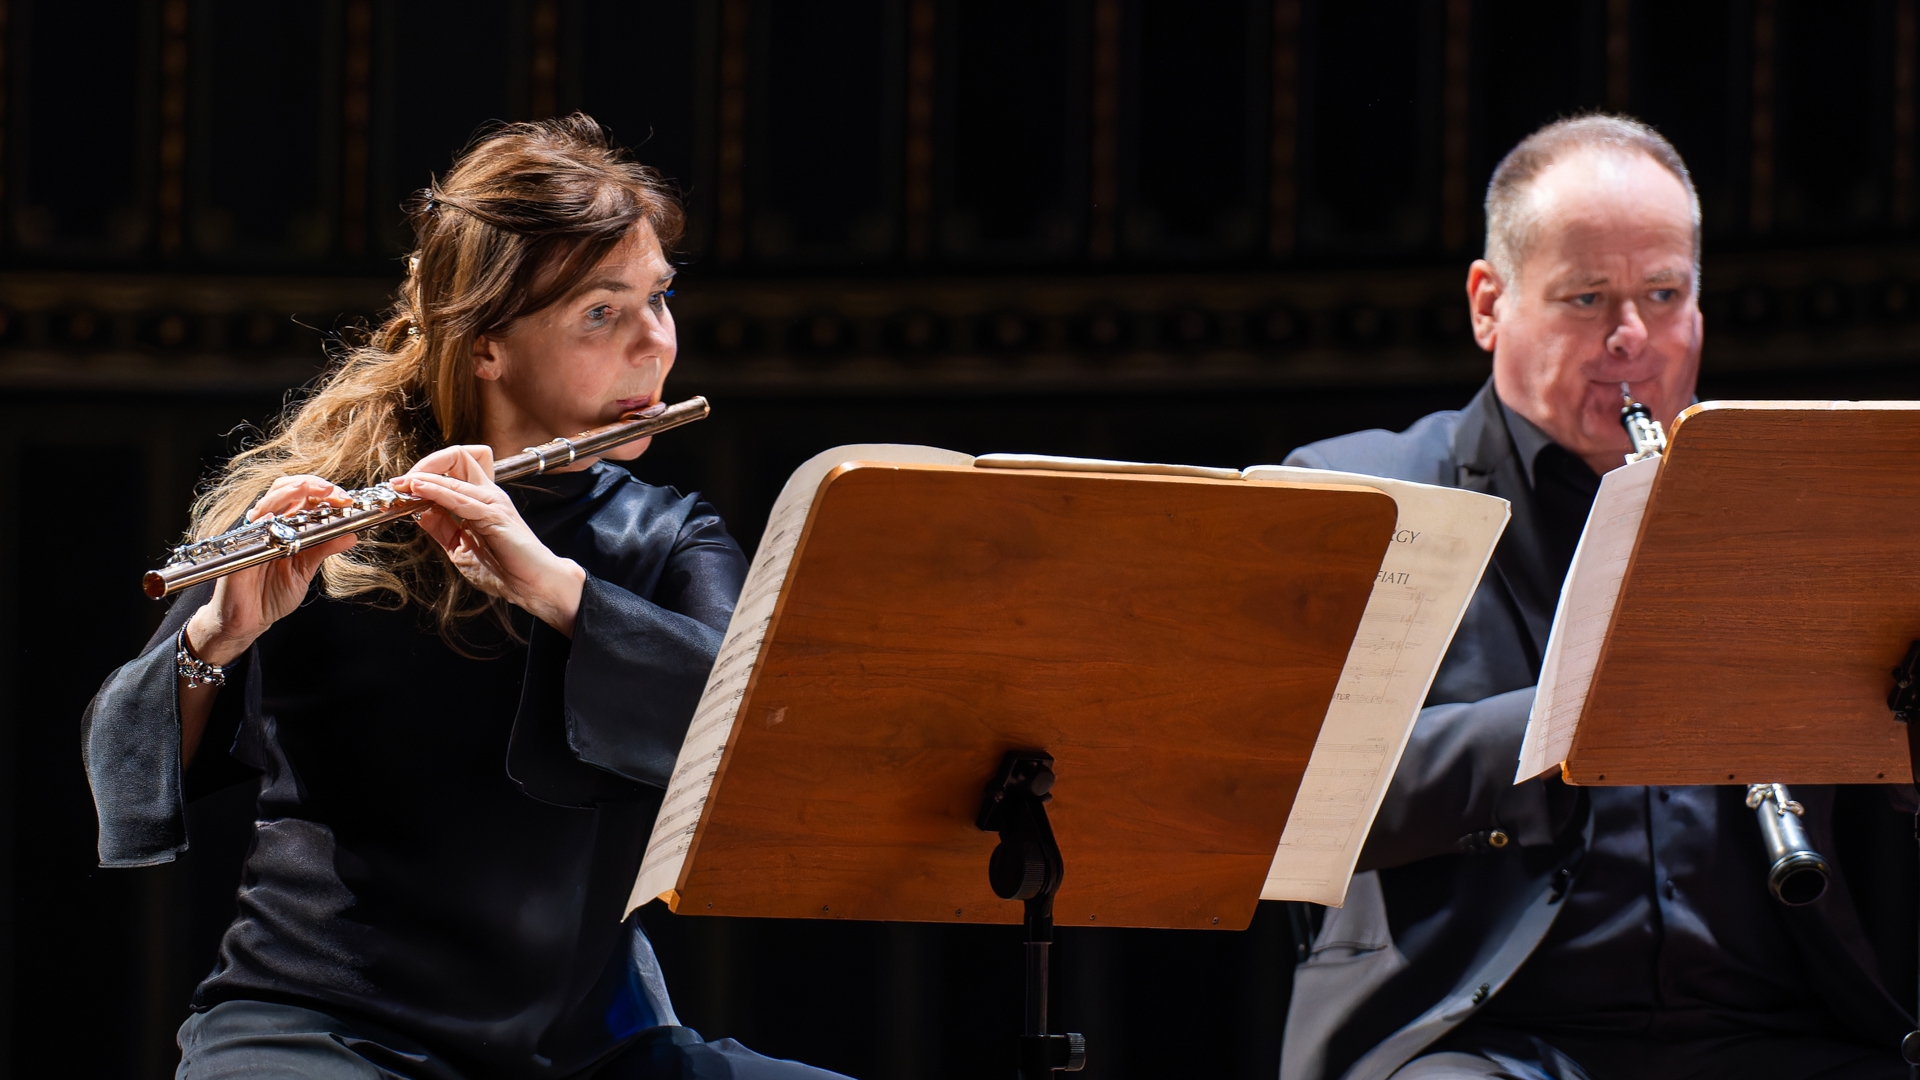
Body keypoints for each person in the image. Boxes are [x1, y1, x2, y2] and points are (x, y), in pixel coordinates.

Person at [83, 115, 847, 1080]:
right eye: (602, 314)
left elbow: (759, 731)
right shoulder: (330, 513)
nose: (654, 344)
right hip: (324, 1030)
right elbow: (124, 768)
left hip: (588, 1048)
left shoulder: (665, 534)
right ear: (487, 345)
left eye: (659, 298)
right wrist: (216, 637)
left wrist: (555, 590)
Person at [1279, 115, 1915, 1080]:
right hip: (1480, 1038)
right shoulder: (1369, 496)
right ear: (1489, 304)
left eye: (1664, 294)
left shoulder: (1788, 505)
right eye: (1587, 299)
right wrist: (1583, 712)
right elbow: (1299, 795)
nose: (1633, 339)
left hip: (1768, 1028)